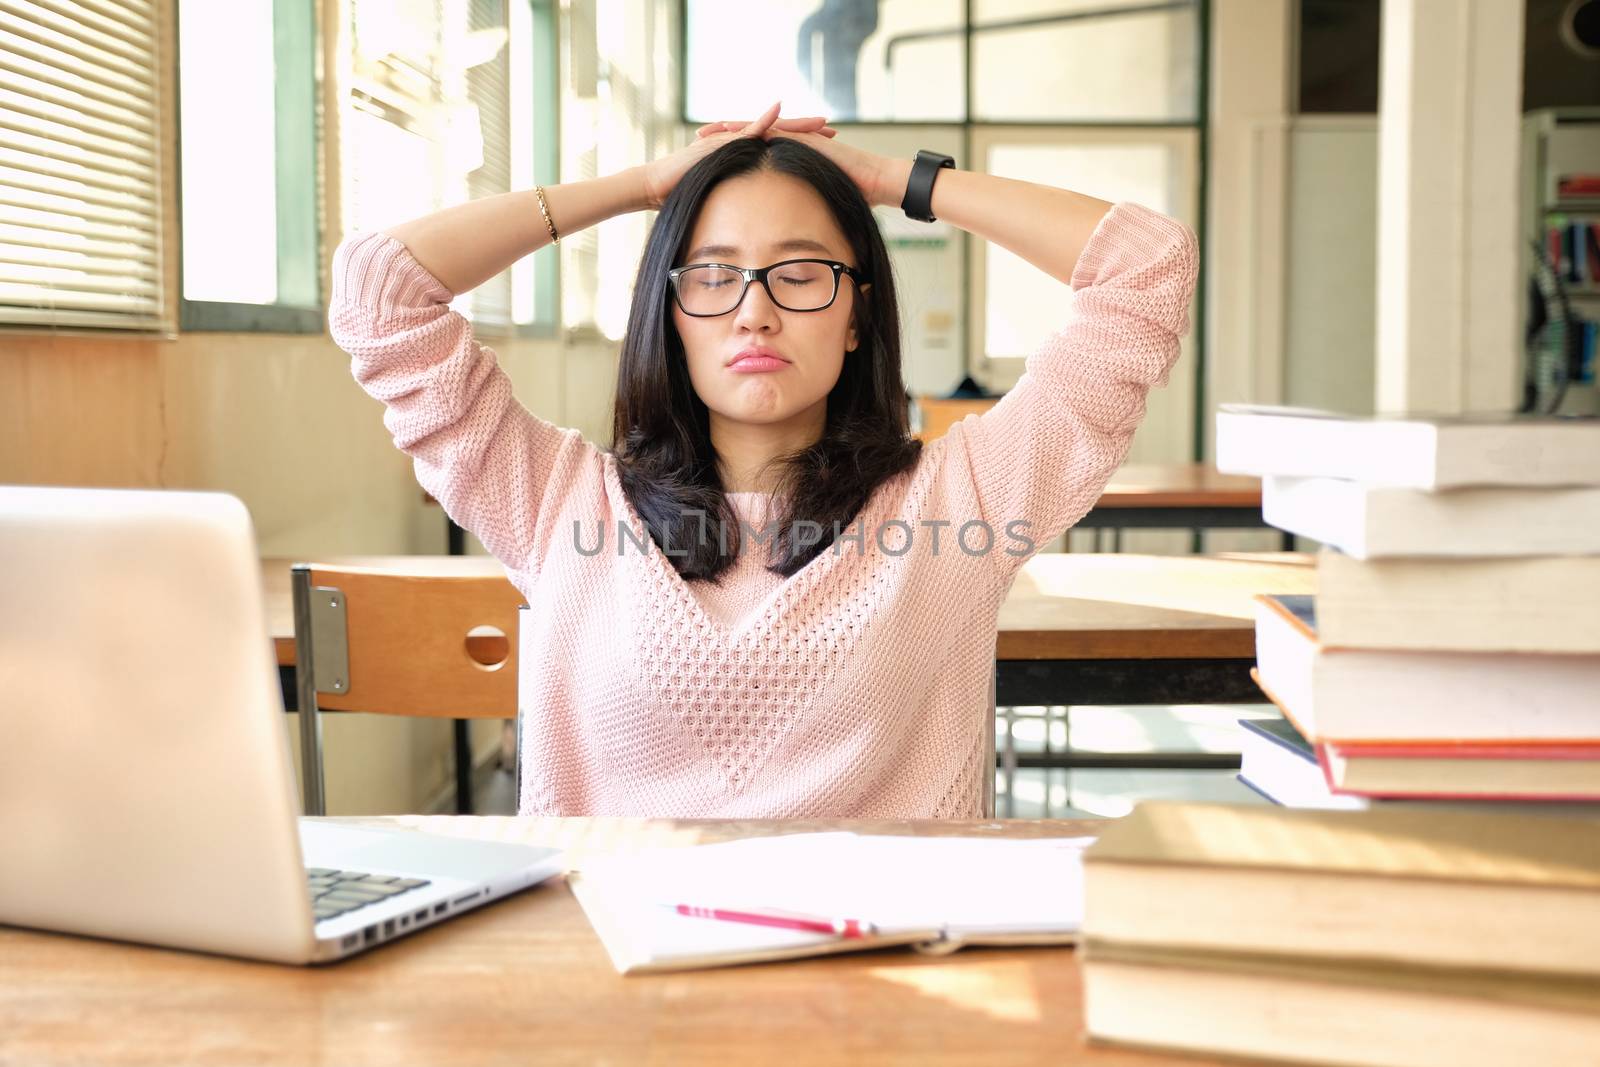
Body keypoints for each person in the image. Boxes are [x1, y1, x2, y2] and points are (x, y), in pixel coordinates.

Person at [328, 102, 1198, 818]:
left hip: (881, 985)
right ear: (669, 316)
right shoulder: (557, 499)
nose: (754, 312)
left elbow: (1148, 268)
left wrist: (891, 181)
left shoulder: (960, 500)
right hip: (608, 977)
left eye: (801, 272)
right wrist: (640, 189)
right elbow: (379, 290)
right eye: (712, 275)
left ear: (857, 316)